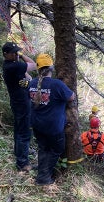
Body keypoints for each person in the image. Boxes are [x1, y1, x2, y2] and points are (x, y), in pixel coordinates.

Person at [28, 53, 75, 186]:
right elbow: (71, 97)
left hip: (37, 125)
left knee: (43, 148)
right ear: (51, 68)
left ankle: (42, 173)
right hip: (53, 127)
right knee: (56, 149)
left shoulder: (32, 83)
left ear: (38, 68)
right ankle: (43, 176)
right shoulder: (57, 84)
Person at [2, 41, 37, 172]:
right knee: (24, 131)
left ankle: (20, 151)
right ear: (6, 54)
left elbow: (28, 76)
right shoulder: (12, 66)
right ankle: (22, 163)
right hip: (21, 103)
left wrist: (19, 57)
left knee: (19, 128)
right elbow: (34, 65)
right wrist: (22, 56)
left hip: (18, 102)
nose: (16, 54)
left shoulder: (13, 66)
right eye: (14, 53)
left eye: (17, 52)